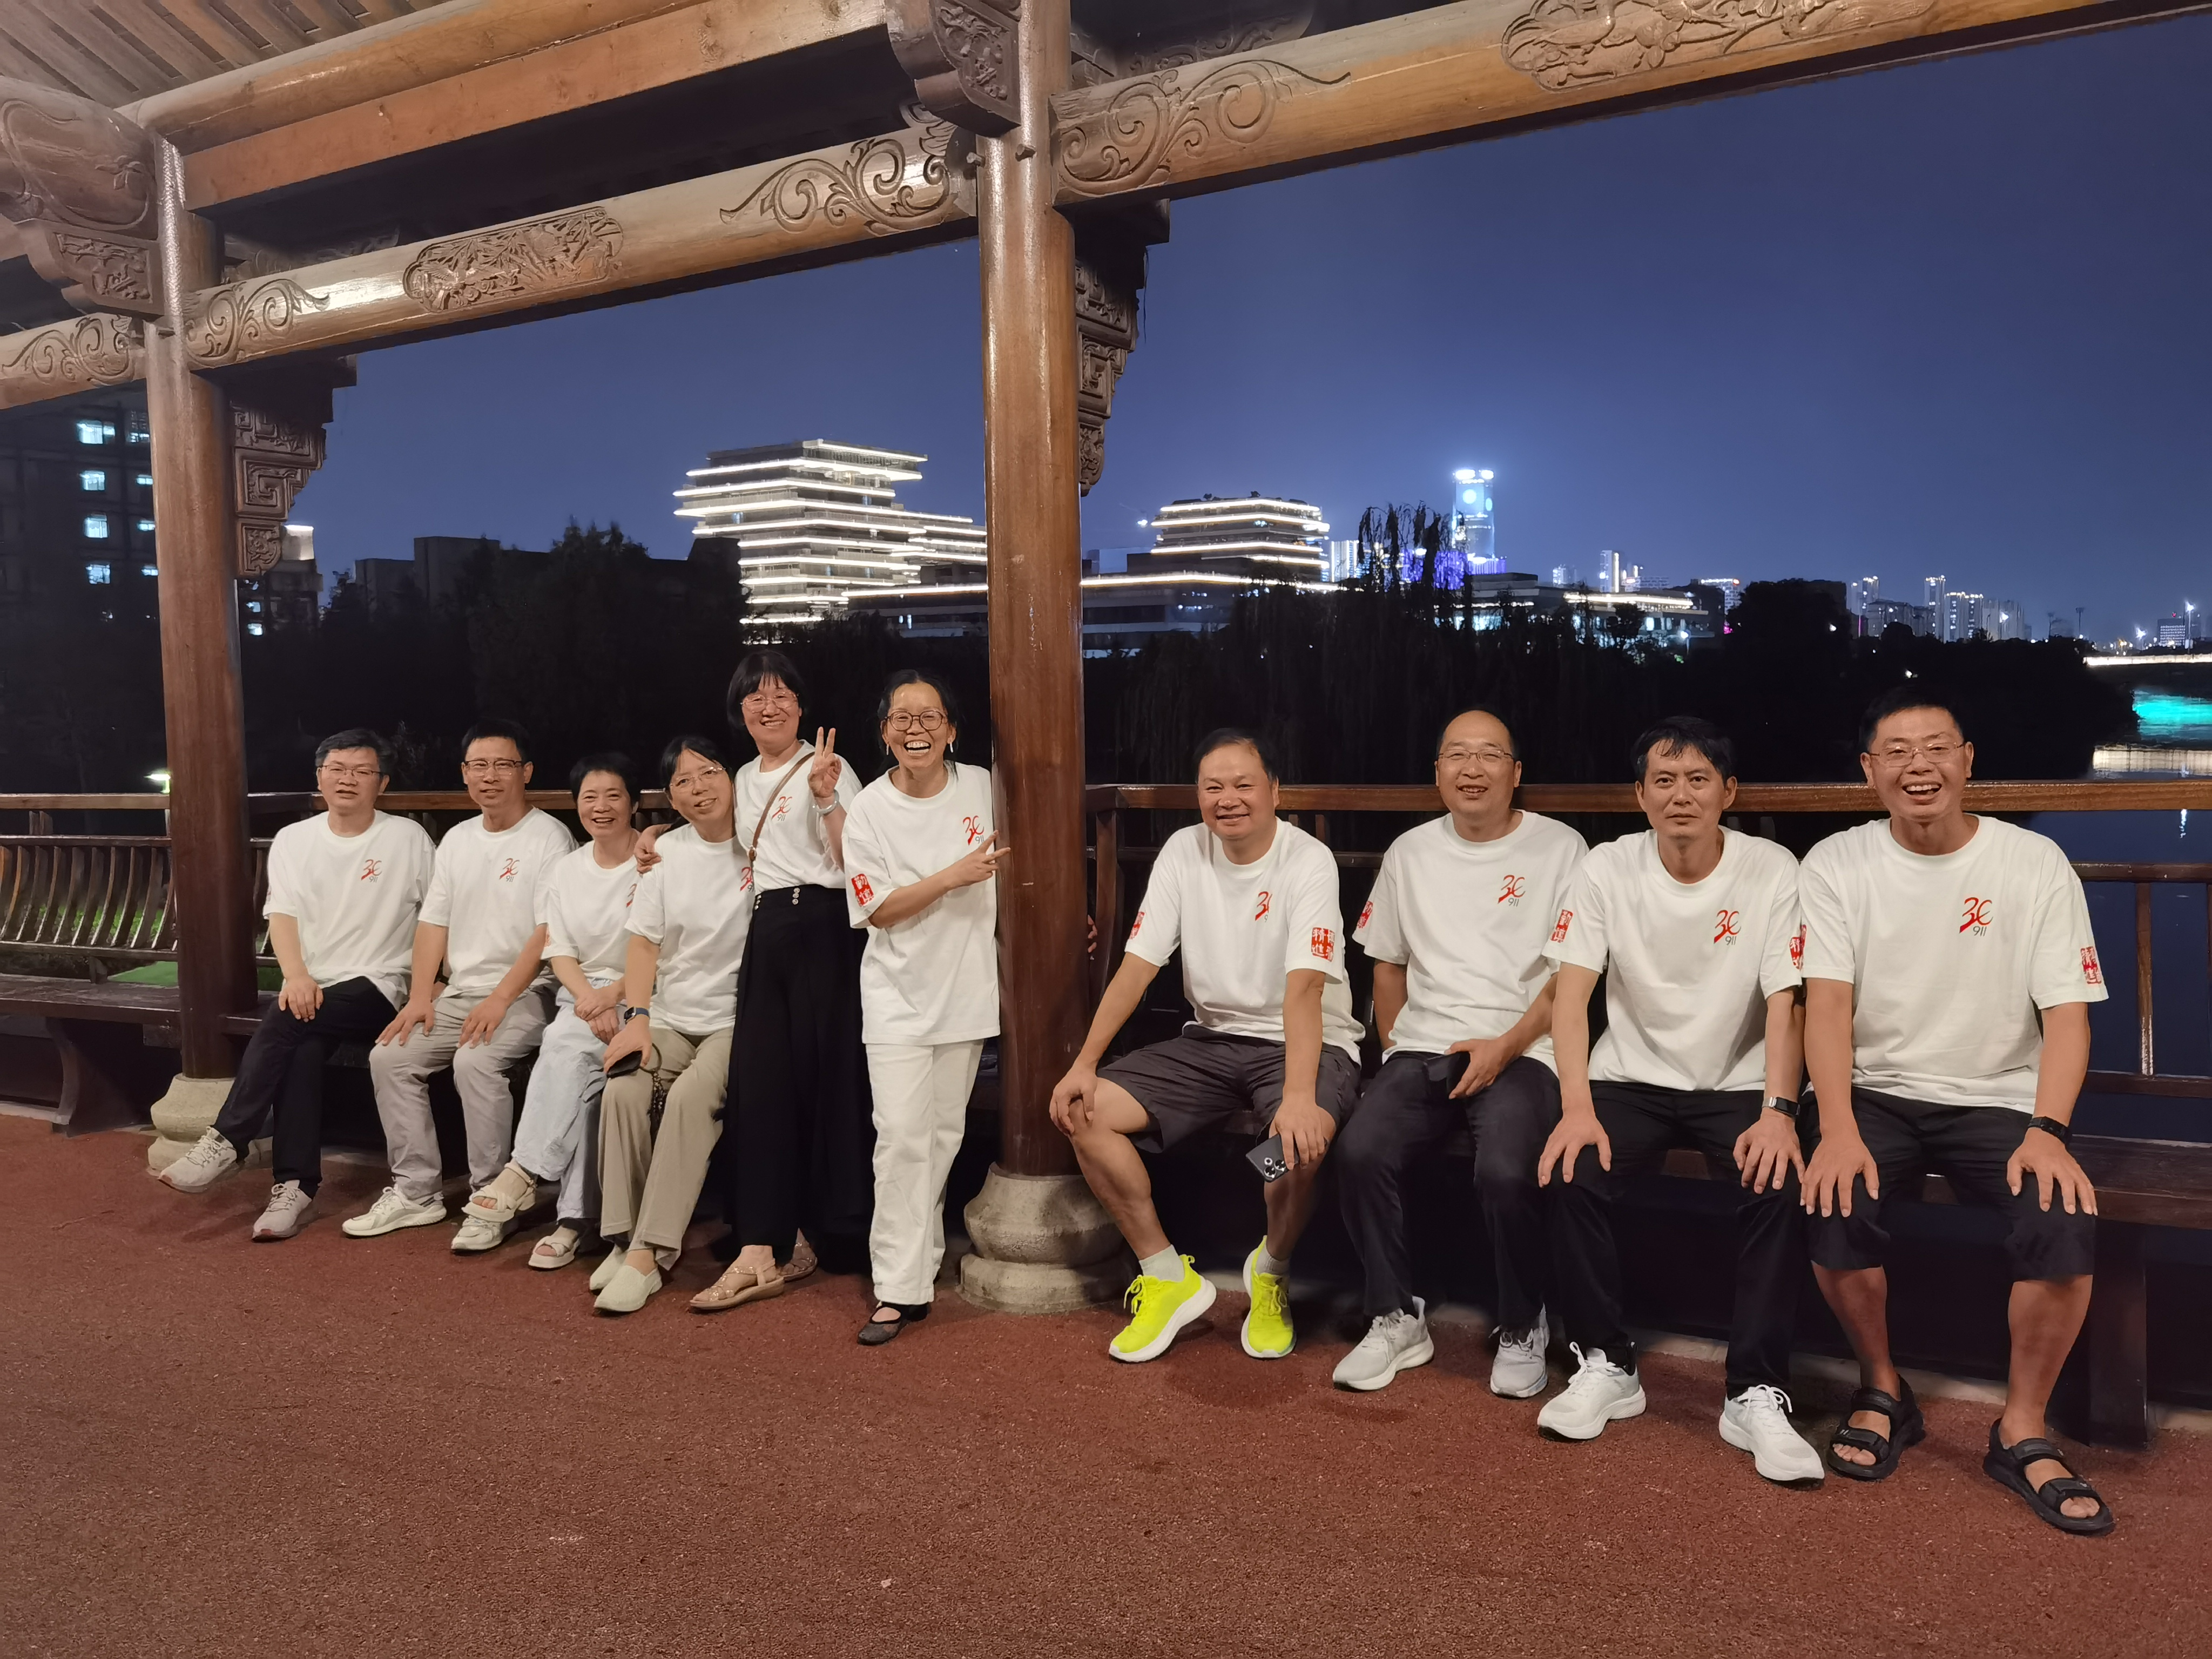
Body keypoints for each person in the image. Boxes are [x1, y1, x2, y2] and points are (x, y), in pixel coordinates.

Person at [1800, 688, 2114, 1533]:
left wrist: (2049, 1131)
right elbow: (1825, 1007)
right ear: (1869, 771)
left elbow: (2067, 1015)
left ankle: (2022, 1427)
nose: (1919, 766)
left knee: (2060, 1216)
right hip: (1875, 1089)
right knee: (1833, 1195)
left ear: (1968, 761)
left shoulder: (2031, 862)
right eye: (1897, 752)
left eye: (1937, 748)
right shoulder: (1836, 863)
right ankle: (1882, 1386)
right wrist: (1835, 1128)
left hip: (2000, 1093)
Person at [1535, 716, 1823, 1485]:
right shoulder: (1607, 866)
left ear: (1729, 791)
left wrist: (1779, 1111)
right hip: (1629, 1075)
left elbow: (1787, 1001)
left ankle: (1754, 1389)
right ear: (1640, 795)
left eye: (1699, 779)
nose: (1681, 795)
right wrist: (1575, 1106)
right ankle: (1606, 1362)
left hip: (1740, 1080)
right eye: (1663, 781)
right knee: (1571, 1170)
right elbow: (1572, 996)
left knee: (1779, 1183)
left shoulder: (1771, 869)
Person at [1050, 729, 1361, 1365]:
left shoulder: (1307, 860)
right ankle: (1167, 1276)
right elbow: (1138, 965)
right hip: (1211, 1041)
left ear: (1274, 790)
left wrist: (1298, 1097)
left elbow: (1304, 989)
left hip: (1302, 1043)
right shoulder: (1184, 850)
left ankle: (1270, 1269)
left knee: (1290, 1152)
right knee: (1083, 1112)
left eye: (1244, 784)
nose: (1228, 799)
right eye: (1213, 787)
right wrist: (1084, 1063)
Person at [1331, 708, 1587, 1393]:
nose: (1473, 769)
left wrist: (1506, 1046)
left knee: (1505, 1170)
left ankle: (1522, 1320)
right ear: (1438, 771)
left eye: (1490, 755)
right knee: (1359, 1150)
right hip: (1424, 1047)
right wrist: (1395, 1051)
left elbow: (1569, 977)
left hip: (1524, 1048)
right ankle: (1394, 1315)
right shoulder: (1410, 852)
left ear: (1516, 772)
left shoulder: (1561, 848)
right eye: (1457, 755)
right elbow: (1386, 964)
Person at [645, 651, 861, 1313]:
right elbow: (711, 825)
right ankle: (766, 1242)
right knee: (761, 1087)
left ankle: (832, 1232)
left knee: (825, 1083)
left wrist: (826, 798)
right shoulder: (739, 775)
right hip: (766, 931)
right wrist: (654, 834)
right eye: (755, 698)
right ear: (740, 712)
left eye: (782, 695)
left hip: (823, 926)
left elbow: (854, 862)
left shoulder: (831, 766)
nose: (770, 707)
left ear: (801, 705)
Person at [158, 729, 434, 1241]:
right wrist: (298, 975)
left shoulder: (408, 839)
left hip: (380, 985)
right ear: (320, 777)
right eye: (337, 769)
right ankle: (294, 1188)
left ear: (382, 783)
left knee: (288, 1021)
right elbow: (281, 915)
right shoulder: (294, 839)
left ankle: (228, 1139)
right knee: (301, 1046)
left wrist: (431, 984)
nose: (348, 779)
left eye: (362, 771)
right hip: (314, 988)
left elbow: (437, 918)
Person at [347, 720, 573, 1239]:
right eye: (478, 765)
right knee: (391, 1057)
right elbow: (433, 923)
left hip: (530, 992)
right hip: (461, 992)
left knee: (476, 1062)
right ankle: (416, 1192)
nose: (489, 776)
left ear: (526, 772)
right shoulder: (458, 839)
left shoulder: (549, 838)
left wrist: (500, 999)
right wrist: (419, 997)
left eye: (503, 765)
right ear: (465, 773)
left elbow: (546, 934)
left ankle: (491, 1197)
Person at [839, 670, 1003, 1345]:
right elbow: (877, 909)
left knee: (941, 1138)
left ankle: (917, 1271)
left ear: (952, 730)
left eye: (930, 717)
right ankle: (895, 1288)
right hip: (896, 999)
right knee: (901, 1138)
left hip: (966, 991)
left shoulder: (983, 787)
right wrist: (951, 877)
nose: (916, 729)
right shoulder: (868, 810)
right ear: (884, 733)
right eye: (901, 719)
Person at [452, 754, 640, 1265]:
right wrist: (589, 1000)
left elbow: (661, 947)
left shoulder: (654, 861)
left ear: (634, 803)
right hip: (582, 996)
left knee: (565, 1047)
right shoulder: (568, 869)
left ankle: (524, 1173)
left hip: (641, 994)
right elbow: (559, 949)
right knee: (588, 1085)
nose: (601, 807)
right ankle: (575, 1220)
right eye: (589, 798)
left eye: (614, 796)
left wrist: (614, 995)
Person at [589, 736, 752, 1314]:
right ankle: (623, 1237)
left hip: (738, 1020)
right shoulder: (664, 855)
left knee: (689, 1097)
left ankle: (651, 1252)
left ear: (734, 777)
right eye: (682, 781)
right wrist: (637, 1019)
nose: (698, 788)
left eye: (708, 773)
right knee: (624, 1087)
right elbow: (644, 944)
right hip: (673, 1016)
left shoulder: (764, 843)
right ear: (671, 798)